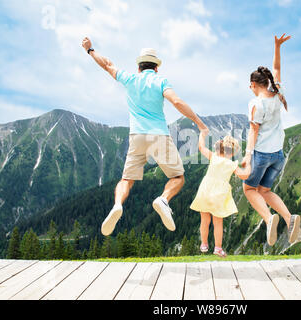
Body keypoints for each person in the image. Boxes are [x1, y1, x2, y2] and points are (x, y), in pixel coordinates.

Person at [81, 37, 209, 236]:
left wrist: (90, 50)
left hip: (137, 136)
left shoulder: (130, 79)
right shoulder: (161, 81)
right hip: (159, 135)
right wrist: (199, 123)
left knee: (126, 180)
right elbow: (176, 101)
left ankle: (117, 205)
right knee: (178, 177)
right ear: (156, 67)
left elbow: (107, 65)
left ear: (139, 67)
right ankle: (164, 199)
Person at [241, 34, 301, 246]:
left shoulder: (255, 104)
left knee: (249, 189)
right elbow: (277, 69)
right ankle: (289, 218)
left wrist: (247, 157)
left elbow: (253, 132)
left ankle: (268, 220)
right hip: (278, 155)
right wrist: (277, 47)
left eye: (250, 85)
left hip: (262, 154)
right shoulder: (278, 91)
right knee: (264, 191)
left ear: (253, 84)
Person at [190, 132, 251, 257]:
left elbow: (201, 147)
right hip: (219, 195)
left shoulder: (213, 157)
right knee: (218, 222)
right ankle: (218, 248)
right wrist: (248, 165)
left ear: (220, 148)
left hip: (205, 190)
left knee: (204, 220)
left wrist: (202, 134)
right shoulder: (232, 164)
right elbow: (244, 175)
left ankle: (204, 244)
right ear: (232, 152)